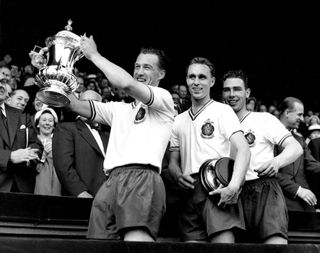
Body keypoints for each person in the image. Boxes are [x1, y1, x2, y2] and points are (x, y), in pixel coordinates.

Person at [64, 35, 174, 241]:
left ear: (162, 73)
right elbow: (75, 105)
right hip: (111, 180)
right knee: (97, 245)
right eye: (137, 66)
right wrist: (55, 68)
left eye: (147, 68)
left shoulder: (164, 99)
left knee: (135, 245)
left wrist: (94, 55)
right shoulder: (119, 109)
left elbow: (126, 83)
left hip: (142, 177)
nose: (140, 72)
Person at [169, 57, 250, 243]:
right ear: (186, 80)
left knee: (223, 247)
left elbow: (244, 149)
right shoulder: (178, 120)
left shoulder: (223, 111)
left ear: (212, 81)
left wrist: (234, 186)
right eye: (191, 77)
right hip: (189, 190)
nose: (196, 82)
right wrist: (177, 174)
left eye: (202, 77)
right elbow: (173, 162)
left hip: (217, 186)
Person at [222, 71, 303, 244]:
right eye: (227, 90)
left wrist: (277, 161)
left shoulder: (263, 119)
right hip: (232, 193)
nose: (232, 94)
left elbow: (295, 147)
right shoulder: (217, 122)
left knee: (275, 246)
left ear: (247, 93)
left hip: (264, 189)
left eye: (237, 89)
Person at [53, 90, 109, 198]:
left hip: (107, 199)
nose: (86, 105)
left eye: (91, 102)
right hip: (81, 198)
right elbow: (63, 166)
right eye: (83, 101)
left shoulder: (108, 134)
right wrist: (79, 192)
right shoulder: (66, 128)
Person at [0, 72, 42, 193]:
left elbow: (37, 145)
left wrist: (29, 155)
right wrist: (10, 156)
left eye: (3, 82)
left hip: (21, 185)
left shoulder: (22, 116)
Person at [277, 97, 320, 212]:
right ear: (287, 112)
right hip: (280, 199)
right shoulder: (270, 137)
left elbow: (311, 164)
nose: (302, 119)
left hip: (306, 201)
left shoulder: (299, 139)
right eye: (299, 114)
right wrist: (298, 190)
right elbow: (269, 172)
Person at [34, 107, 61, 196]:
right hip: (38, 181)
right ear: (38, 124)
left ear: (53, 125)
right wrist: (44, 153)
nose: (47, 123)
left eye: (50, 121)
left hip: (56, 182)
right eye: (44, 120)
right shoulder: (33, 141)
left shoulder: (59, 141)